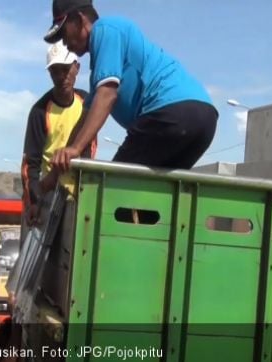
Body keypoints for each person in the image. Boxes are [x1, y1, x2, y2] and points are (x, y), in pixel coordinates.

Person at [44, 0, 218, 172]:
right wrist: (57, 170)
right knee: (156, 191)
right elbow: (84, 121)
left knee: (113, 185)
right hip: (204, 119)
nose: (64, 43)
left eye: (63, 33)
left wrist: (74, 150)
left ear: (80, 19)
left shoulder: (105, 30)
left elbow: (107, 95)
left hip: (170, 113)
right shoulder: (102, 63)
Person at [20, 40, 96, 228]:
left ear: (76, 68)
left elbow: (91, 146)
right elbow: (30, 164)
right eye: (55, 71)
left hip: (79, 195)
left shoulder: (87, 103)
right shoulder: (39, 111)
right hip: (48, 195)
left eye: (66, 69)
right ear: (50, 73)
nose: (62, 76)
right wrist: (34, 202)